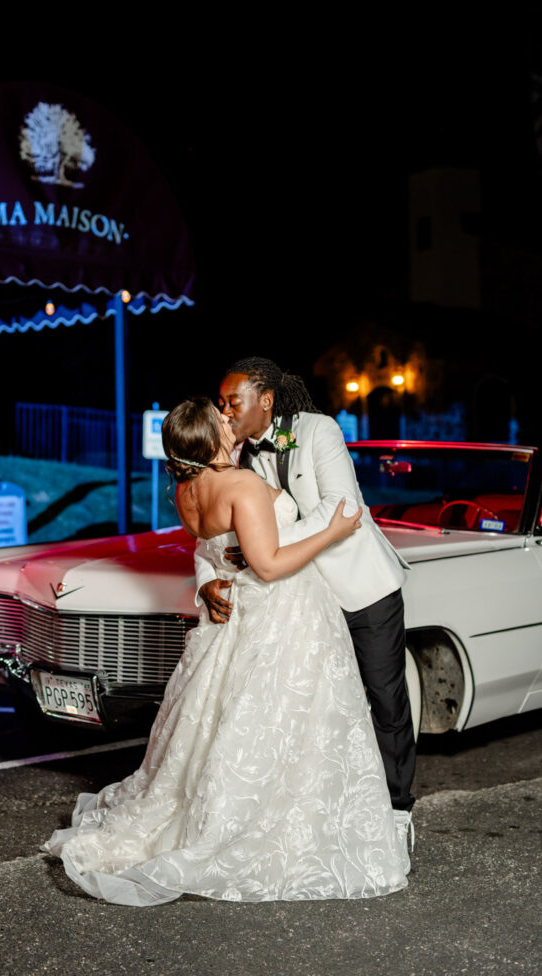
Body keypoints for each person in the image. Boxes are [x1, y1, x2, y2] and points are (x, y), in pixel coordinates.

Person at [43, 397, 407, 905]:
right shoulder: (242, 484)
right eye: (221, 420)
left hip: (232, 618)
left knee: (232, 722)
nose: (229, 419)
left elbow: (208, 547)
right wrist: (332, 531)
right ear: (211, 441)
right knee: (289, 720)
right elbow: (271, 565)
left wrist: (212, 578)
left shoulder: (184, 489)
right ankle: (272, 823)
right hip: (281, 613)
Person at [195, 357, 416, 871]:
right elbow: (209, 537)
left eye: (233, 401)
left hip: (363, 590)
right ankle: (323, 817)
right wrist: (205, 580)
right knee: (312, 714)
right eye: (221, 403)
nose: (224, 411)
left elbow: (342, 507)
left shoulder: (319, 430)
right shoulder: (231, 457)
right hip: (296, 604)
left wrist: (261, 547)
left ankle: (399, 810)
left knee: (385, 699)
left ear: (265, 400)